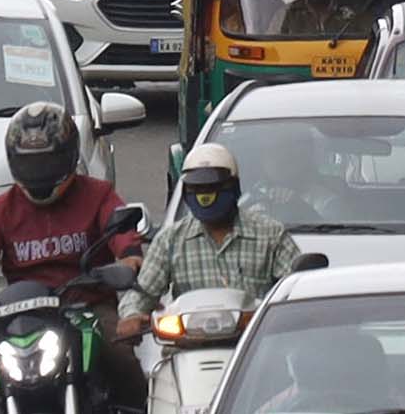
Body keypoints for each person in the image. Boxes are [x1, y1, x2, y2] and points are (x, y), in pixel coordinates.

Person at [0, 104, 146, 412]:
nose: (40, 174)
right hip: (21, 314)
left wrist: (128, 257)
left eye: (48, 162)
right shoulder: (1, 209)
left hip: (86, 306)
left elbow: (121, 231)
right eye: (31, 164)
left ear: (69, 156)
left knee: (121, 358)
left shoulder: (97, 193)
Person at [115, 144, 301, 339]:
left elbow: (297, 290)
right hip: (186, 346)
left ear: (234, 187)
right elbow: (141, 293)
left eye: (213, 187)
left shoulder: (270, 235)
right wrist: (132, 316)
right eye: (197, 188)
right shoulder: (170, 240)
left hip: (254, 349)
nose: (205, 195)